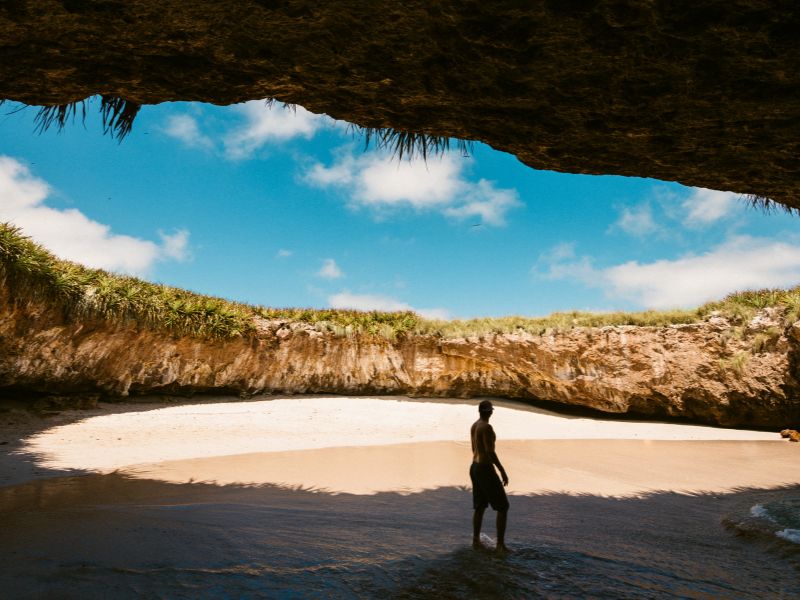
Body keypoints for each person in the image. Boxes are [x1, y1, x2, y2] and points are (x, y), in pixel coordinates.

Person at [470, 399, 509, 553]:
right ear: (489, 412)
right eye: (491, 410)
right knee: (503, 507)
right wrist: (501, 470)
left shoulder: (475, 425)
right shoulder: (486, 427)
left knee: (480, 506)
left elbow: (474, 448)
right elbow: (490, 452)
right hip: (485, 468)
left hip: (474, 467)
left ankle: (475, 541)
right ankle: (500, 545)